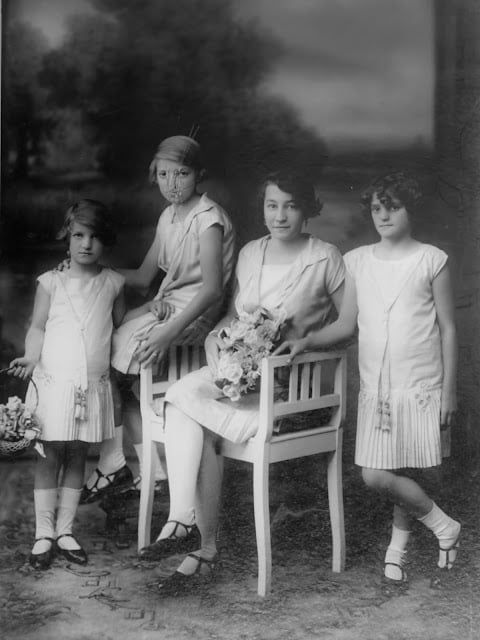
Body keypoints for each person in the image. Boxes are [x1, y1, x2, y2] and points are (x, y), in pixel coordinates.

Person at [139, 170, 346, 595]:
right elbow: (236, 315)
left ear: (307, 209)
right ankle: (186, 524)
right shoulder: (252, 252)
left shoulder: (325, 257)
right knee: (182, 398)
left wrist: (306, 342)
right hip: (238, 380)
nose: (280, 215)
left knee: (183, 407)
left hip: (289, 391)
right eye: (272, 205)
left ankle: (197, 540)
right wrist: (217, 337)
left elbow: (349, 325)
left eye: (291, 206)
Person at [277, 172, 460, 583]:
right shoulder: (357, 261)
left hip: (420, 384)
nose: (383, 215)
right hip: (378, 388)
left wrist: (449, 392)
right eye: (377, 208)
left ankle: (397, 548)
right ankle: (443, 526)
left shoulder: (432, 260)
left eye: (393, 207)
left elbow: (448, 328)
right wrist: (306, 341)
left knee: (406, 467)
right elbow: (346, 325)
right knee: (377, 474)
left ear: (412, 209)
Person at [80, 135, 236, 504]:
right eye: (163, 174)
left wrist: (167, 335)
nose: (172, 184)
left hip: (196, 315)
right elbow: (142, 277)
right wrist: (88, 270)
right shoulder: (169, 216)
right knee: (103, 361)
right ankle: (143, 469)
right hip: (168, 306)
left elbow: (212, 290)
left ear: (199, 174)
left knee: (113, 365)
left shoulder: (208, 219)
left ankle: (121, 465)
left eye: (181, 174)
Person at [9, 200, 127, 569]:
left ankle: (65, 531)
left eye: (95, 236)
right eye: (78, 235)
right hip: (54, 383)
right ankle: (43, 533)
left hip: (90, 386)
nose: (86, 244)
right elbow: (37, 326)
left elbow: (122, 327)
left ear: (105, 240)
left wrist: (152, 310)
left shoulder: (113, 283)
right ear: (67, 238)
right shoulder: (51, 282)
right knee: (49, 456)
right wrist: (31, 356)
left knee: (77, 455)